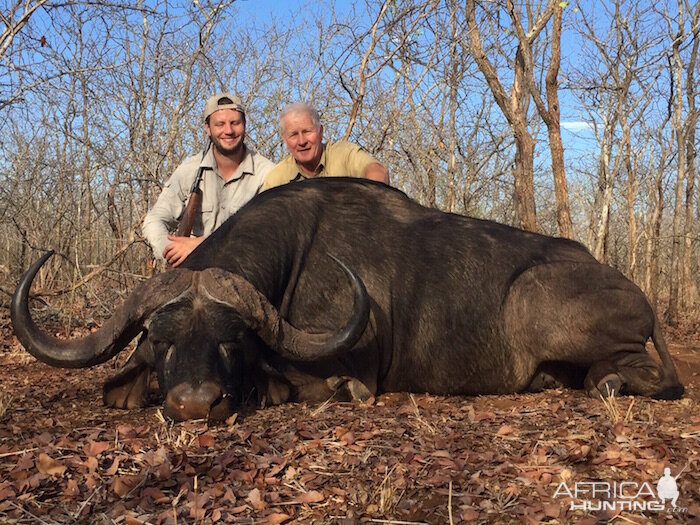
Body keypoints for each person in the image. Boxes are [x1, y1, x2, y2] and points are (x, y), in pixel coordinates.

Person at [143, 93, 274, 267]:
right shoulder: (189, 171)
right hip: (193, 271)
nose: (228, 130)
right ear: (207, 128)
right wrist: (171, 250)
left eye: (235, 123)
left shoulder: (267, 174)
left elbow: (271, 235)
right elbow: (154, 219)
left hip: (244, 270)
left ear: (244, 125)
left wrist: (203, 246)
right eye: (220, 124)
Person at [261, 103, 389, 190]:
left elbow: (378, 172)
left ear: (320, 132)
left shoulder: (344, 154)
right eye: (293, 135)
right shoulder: (276, 180)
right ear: (285, 140)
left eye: (307, 132)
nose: (301, 141)